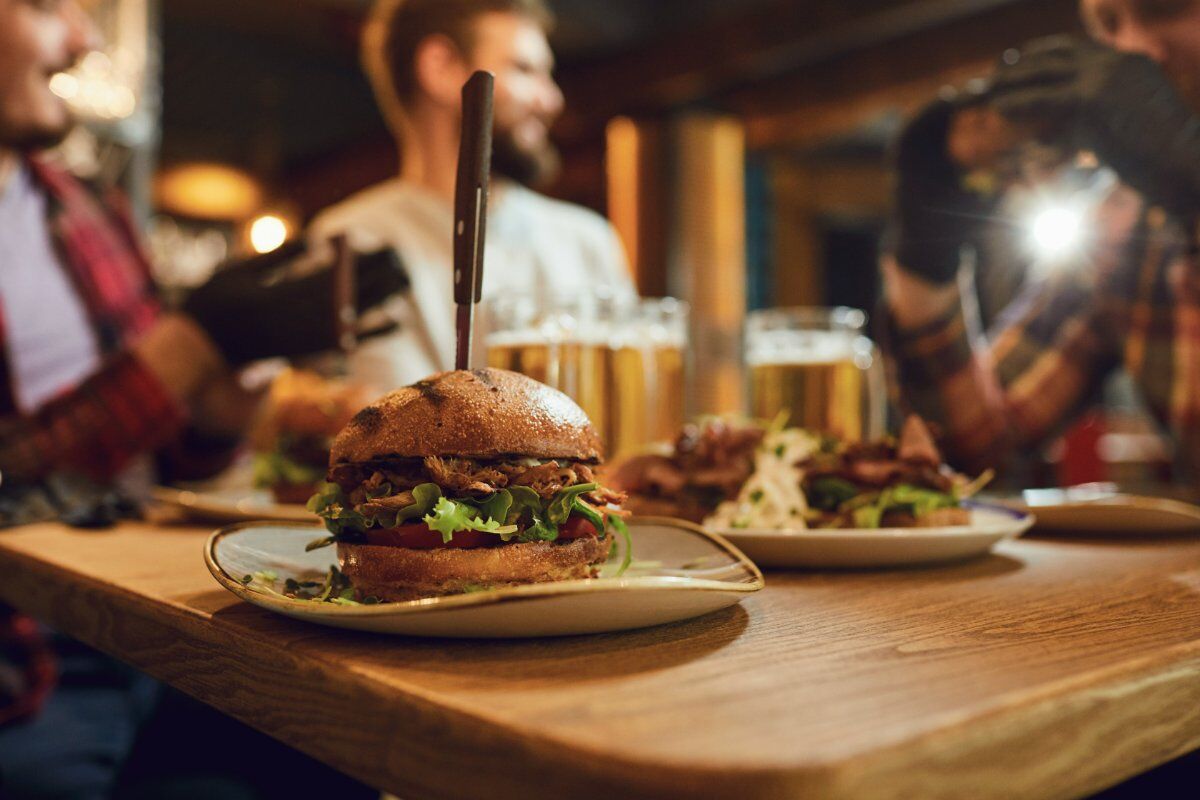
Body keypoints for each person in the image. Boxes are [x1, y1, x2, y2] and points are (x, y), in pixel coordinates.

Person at [0, 1, 399, 795]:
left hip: (151, 633)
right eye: (49, 5)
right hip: (27, 676)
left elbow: (162, 457)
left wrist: (219, 409)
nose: (83, 37)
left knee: (348, 757)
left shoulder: (85, 208)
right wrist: (182, 351)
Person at [883, 0, 1200, 483]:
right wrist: (925, 255)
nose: (1133, 48)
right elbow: (978, 448)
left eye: (1164, 8)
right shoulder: (1124, 223)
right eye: (1110, 23)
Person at [310, 0, 636, 389]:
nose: (552, 100)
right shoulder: (350, 242)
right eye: (525, 69)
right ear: (441, 67)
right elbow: (384, 426)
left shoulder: (589, 241)